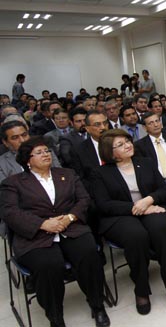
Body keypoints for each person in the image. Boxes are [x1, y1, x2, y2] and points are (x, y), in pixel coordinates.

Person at [0, 137, 110, 327]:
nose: (46, 154)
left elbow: (84, 200)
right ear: (27, 160)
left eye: (47, 151)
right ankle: (55, 317)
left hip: (71, 227)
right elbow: (10, 212)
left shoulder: (67, 174)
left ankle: (97, 304)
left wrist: (69, 218)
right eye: (40, 152)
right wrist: (43, 224)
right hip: (35, 236)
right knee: (48, 265)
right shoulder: (13, 183)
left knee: (89, 254)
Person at [91, 129, 166, 314]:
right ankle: (141, 289)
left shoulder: (145, 163)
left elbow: (163, 190)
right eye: (121, 144)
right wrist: (138, 207)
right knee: (136, 236)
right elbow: (103, 204)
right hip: (120, 216)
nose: (128, 145)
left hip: (151, 207)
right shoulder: (100, 173)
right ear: (110, 152)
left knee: (161, 229)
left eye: (127, 141)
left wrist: (148, 201)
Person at [133, 112, 166, 178]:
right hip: (157, 182)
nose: (156, 125)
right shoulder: (140, 146)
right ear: (144, 127)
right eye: (151, 123)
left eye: (157, 121)